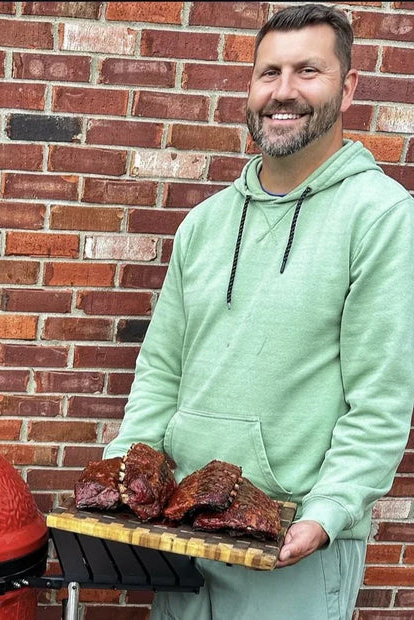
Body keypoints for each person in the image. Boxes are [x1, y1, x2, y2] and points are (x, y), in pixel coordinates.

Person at [103, 4, 414, 619]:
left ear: (347, 87)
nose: (284, 91)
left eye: (308, 71)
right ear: (250, 86)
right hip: (182, 533)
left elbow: (380, 400)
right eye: (269, 72)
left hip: (290, 541)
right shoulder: (207, 223)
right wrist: (129, 470)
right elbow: (162, 368)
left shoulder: (380, 217)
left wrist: (328, 513)